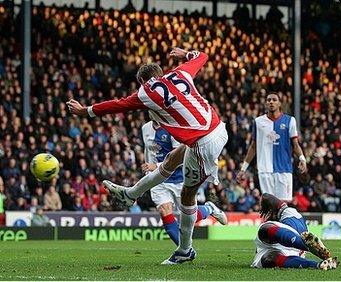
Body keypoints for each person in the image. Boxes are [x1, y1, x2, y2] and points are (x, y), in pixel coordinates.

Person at [67, 47, 229, 264]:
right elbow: (202, 56)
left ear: (143, 81)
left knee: (187, 198)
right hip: (217, 127)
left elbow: (117, 105)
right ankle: (131, 193)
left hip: (203, 142)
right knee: (172, 159)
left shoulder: (145, 92)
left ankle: (184, 249)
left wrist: (84, 110)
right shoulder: (180, 73)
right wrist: (185, 55)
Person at [141, 113, 227, 246]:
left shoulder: (172, 128)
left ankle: (209, 209)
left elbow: (179, 157)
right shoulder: (145, 128)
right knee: (165, 212)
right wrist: (149, 172)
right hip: (158, 180)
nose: (151, 110)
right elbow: (149, 151)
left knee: (187, 219)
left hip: (179, 179)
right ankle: (186, 251)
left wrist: (156, 166)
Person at [236, 92, 307, 201]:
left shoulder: (290, 120)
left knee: (283, 204)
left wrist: (302, 159)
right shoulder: (258, 122)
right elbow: (253, 147)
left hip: (284, 169)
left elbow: (295, 144)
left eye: (274, 100)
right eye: (269, 100)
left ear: (279, 104)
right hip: (265, 169)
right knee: (269, 204)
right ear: (266, 104)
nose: (271, 102)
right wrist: (243, 169)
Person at [252, 193, 338, 270]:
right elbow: (266, 197)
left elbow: (266, 196)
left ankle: (308, 246)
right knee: (268, 258)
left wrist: (264, 203)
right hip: (293, 252)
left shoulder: (281, 216)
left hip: (294, 236)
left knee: (264, 230)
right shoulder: (261, 255)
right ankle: (314, 255)